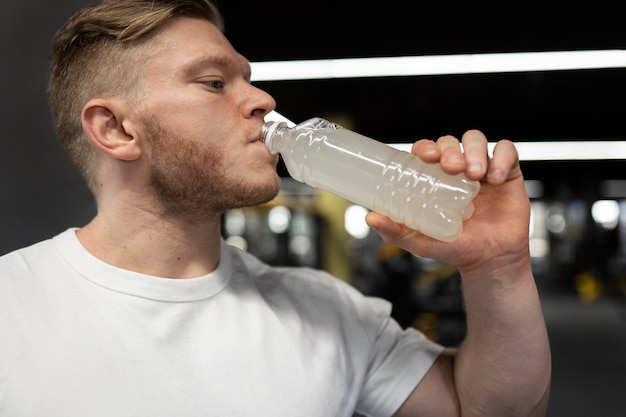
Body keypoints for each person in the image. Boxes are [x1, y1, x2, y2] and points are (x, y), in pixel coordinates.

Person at [0, 1, 551, 416]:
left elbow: (491, 410)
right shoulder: (12, 308)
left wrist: (499, 269)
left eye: (248, 77)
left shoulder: (328, 311)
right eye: (215, 82)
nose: (264, 99)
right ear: (117, 129)